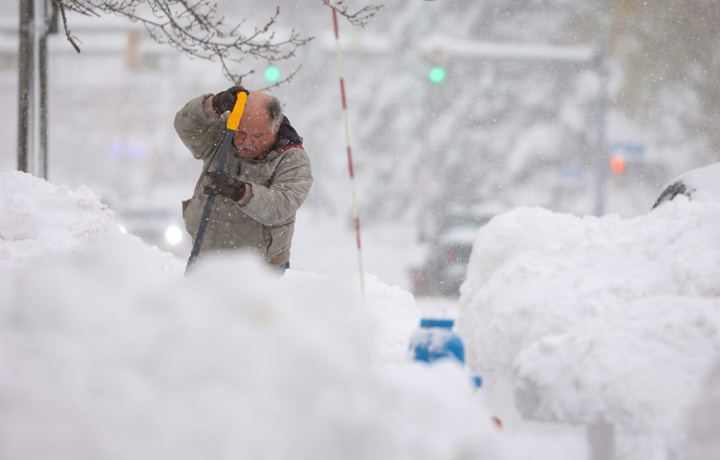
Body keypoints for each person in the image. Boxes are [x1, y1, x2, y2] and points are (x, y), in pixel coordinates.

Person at [174, 85, 313, 274]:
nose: (247, 141)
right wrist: (212, 105)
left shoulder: (292, 159)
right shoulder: (223, 133)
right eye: (241, 132)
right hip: (206, 257)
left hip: (261, 268)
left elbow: (281, 207)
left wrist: (240, 192)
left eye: (257, 135)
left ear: (276, 126)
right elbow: (185, 125)